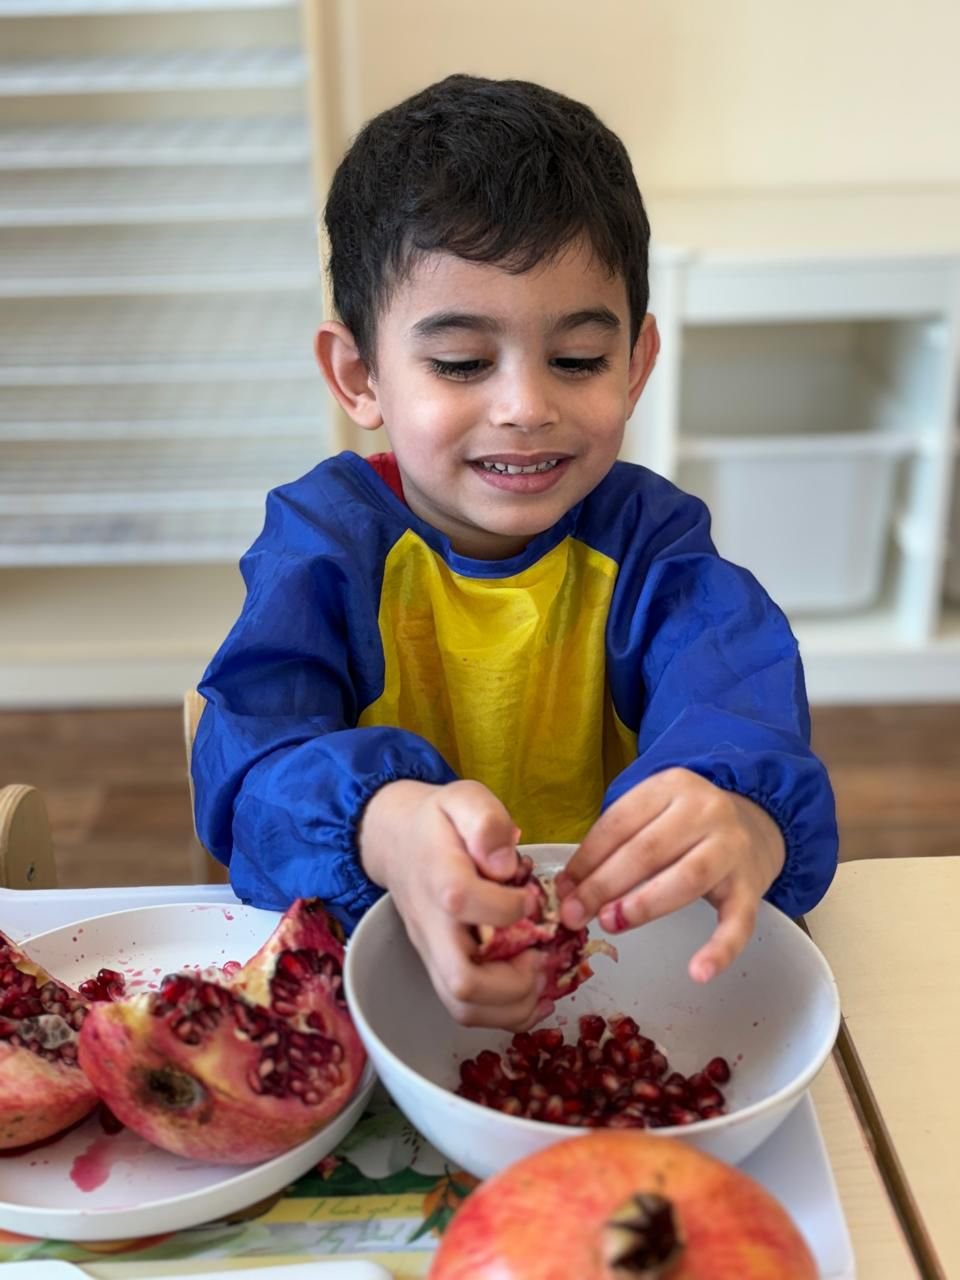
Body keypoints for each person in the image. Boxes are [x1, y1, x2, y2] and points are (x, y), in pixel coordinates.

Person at [192, 74, 838, 1032]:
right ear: (361, 375)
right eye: (461, 363)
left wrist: (741, 818)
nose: (527, 407)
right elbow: (249, 770)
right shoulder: (324, 545)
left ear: (636, 364)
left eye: (577, 360)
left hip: (626, 979)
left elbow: (743, 711)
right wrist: (380, 825)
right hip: (380, 986)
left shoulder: (657, 549)